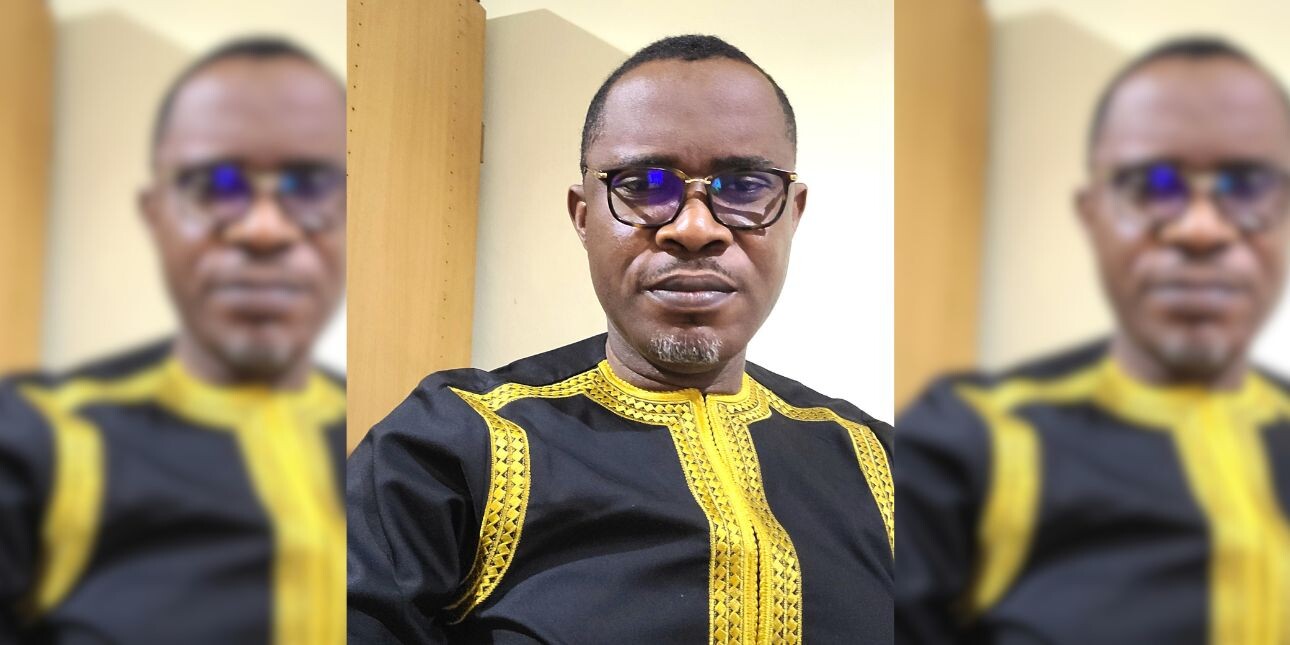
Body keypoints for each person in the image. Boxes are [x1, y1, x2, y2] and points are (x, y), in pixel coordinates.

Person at [348, 35, 894, 644]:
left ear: (792, 213)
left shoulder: (884, 468)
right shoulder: (455, 444)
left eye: (743, 186)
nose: (693, 229)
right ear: (584, 217)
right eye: (645, 183)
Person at [896, 37, 1290, 644]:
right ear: (1092, 214)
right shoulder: (970, 440)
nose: (1201, 229)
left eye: (1246, 186)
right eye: (1152, 184)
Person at [0, 38, 347, 643]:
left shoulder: (379, 442)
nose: (264, 229)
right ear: (154, 214)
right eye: (215, 184)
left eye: (309, 187)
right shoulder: (40, 439)